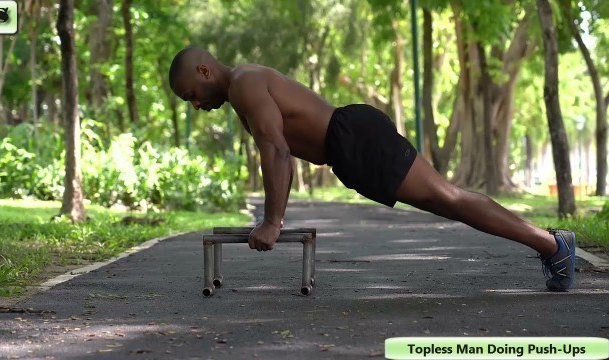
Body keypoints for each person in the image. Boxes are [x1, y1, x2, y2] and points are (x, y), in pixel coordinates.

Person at [168, 46, 575, 292]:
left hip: (353, 137)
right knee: (448, 203)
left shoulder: (245, 83)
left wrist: (273, 221)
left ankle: (554, 246)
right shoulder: (244, 86)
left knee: (449, 197)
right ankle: (550, 246)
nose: (196, 106)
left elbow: (276, 150)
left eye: (192, 95)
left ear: (205, 71)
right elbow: (279, 149)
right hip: (348, 149)